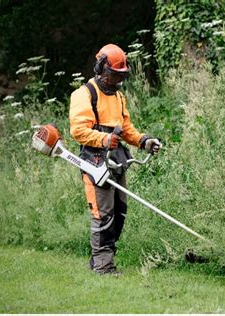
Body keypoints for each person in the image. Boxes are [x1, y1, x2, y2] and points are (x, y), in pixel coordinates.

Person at [69, 43, 161, 275]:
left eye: (122, 75)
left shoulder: (119, 97)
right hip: (95, 162)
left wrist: (143, 141)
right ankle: (103, 266)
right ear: (101, 69)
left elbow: (126, 128)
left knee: (119, 213)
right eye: (114, 75)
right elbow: (78, 130)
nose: (118, 80)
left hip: (117, 161)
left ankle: (100, 259)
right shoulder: (84, 94)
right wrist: (104, 139)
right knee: (103, 215)